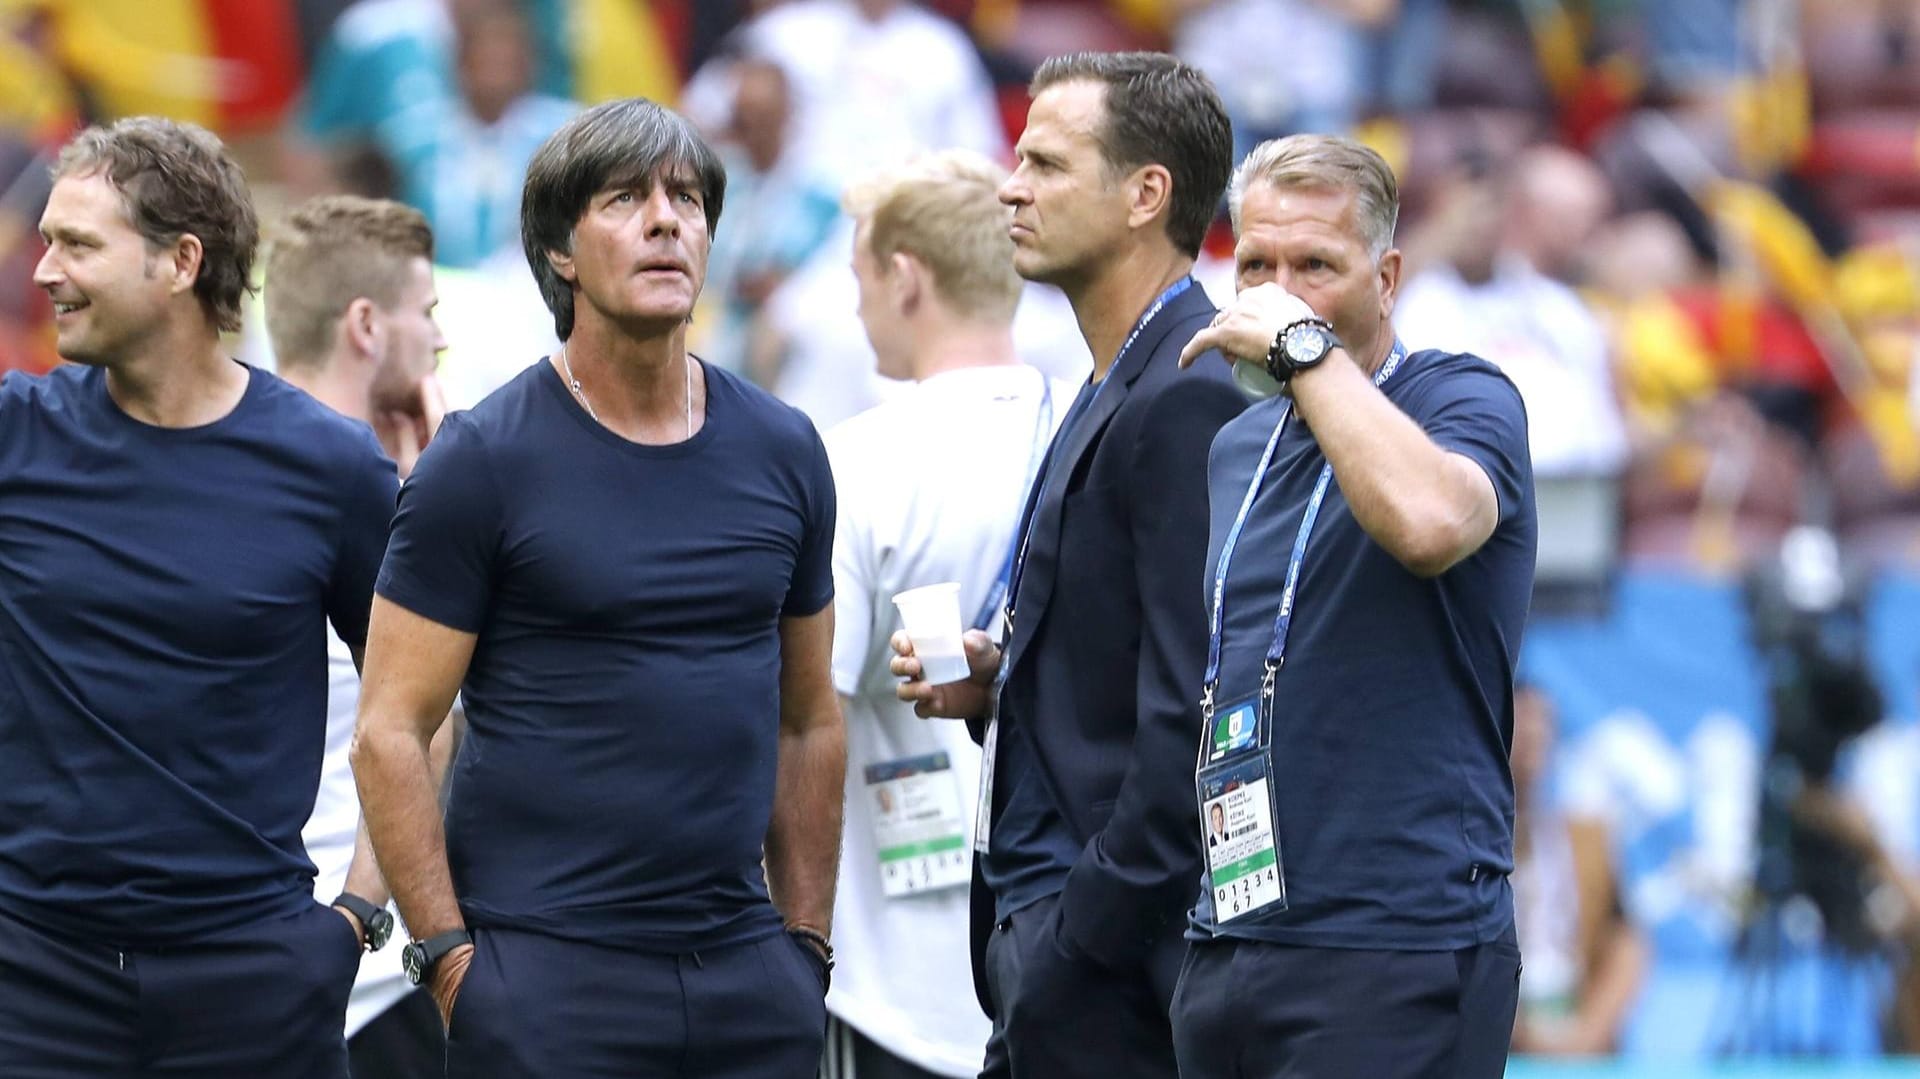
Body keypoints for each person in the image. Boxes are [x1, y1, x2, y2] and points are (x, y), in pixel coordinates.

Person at [350, 97, 844, 1078]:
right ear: (561, 252)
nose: (668, 220)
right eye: (626, 198)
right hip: (544, 979)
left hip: (747, 976)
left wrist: (805, 950)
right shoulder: (482, 460)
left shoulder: (784, 448)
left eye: (688, 198)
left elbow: (809, 717)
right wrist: (450, 962)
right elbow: (389, 731)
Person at [0, 116, 397, 1077]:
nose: (44, 269)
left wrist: (355, 918)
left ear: (180, 262)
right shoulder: (13, 434)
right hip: (33, 983)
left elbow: (420, 707)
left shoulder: (331, 465)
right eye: (47, 238)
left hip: (257, 983)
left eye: (77, 244)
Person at [890, 51, 1244, 1079]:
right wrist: (1003, 684)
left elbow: (1194, 704)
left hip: (1109, 967)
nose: (1012, 186)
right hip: (1051, 941)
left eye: (1045, 163)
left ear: (1146, 194)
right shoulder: (1112, 379)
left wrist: (1084, 932)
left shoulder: (1185, 392)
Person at [1169, 133, 1536, 1078]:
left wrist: (1300, 349)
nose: (1278, 291)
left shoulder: (1461, 394)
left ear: (1389, 276)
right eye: (1257, 264)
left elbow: (1427, 521)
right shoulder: (1236, 445)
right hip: (1233, 932)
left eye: (1316, 267)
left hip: (1395, 943)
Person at [824, 148, 1074, 1079]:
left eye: (860, 275)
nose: (856, 306)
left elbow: (807, 711)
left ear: (903, 275)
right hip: (1060, 968)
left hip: (887, 988)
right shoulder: (1091, 430)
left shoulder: (855, 460)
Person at [263, 193, 458, 1079]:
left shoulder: (231, 476)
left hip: (253, 959)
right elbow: (434, 719)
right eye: (428, 314)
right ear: (369, 325)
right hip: (359, 961)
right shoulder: (382, 497)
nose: (439, 341)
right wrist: (360, 912)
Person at [1508, 682, 1648, 1056]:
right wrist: (1517, 1033)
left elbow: (1628, 944)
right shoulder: (1461, 842)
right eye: (1522, 721)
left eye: (1543, 722)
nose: (1534, 733)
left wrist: (1588, 1033)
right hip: (1501, 1039)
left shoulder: (1587, 840)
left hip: (1577, 1032)